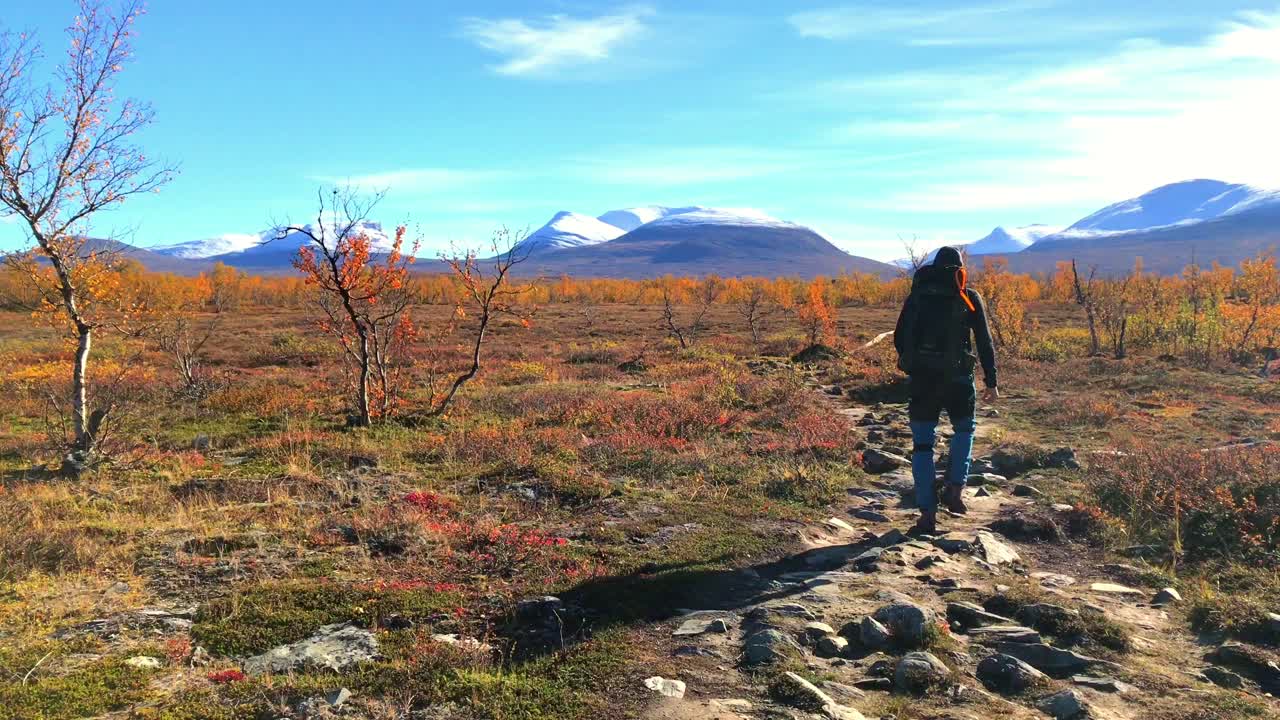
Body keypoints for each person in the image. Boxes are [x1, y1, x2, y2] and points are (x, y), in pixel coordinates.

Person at [893, 246, 998, 535]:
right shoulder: (968, 296)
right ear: (960, 270)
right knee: (964, 431)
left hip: (923, 381)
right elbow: (985, 341)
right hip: (959, 379)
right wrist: (991, 381)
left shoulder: (917, 297)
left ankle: (927, 514)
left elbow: (900, 337)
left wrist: (915, 364)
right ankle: (955, 489)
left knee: (922, 446)